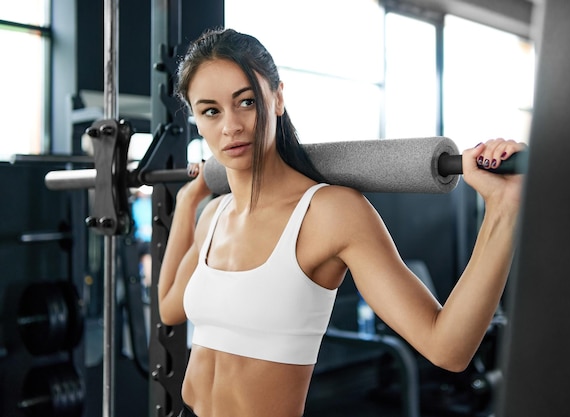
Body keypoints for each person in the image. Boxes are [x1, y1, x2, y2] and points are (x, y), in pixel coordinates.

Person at [158, 28, 525, 417]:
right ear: (196, 119)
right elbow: (168, 309)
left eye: (246, 102)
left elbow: (447, 347)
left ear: (278, 98)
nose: (230, 126)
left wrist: (503, 208)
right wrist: (187, 202)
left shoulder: (330, 213)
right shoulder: (213, 216)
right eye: (211, 110)